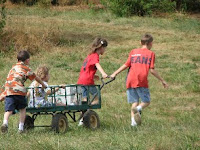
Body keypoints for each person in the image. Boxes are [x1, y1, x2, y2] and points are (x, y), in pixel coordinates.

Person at [110, 33, 168, 127]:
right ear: (151, 43)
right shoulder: (151, 54)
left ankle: (133, 123)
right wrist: (162, 80)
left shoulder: (133, 51)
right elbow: (152, 70)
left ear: (140, 42)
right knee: (146, 101)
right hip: (141, 80)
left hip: (130, 80)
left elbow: (126, 65)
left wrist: (114, 73)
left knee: (134, 102)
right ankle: (139, 109)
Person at [0, 50, 47, 133]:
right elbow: (36, 78)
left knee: (8, 110)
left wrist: (3, 94)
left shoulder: (12, 68)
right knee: (23, 109)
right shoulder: (26, 69)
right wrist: (43, 84)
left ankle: (5, 123)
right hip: (19, 92)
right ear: (27, 60)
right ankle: (21, 128)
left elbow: (7, 82)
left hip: (9, 91)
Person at [77, 37, 108, 126]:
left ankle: (82, 119)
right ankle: (86, 114)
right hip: (87, 82)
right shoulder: (95, 56)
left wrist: (94, 75)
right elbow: (96, 64)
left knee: (84, 100)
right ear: (101, 47)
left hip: (81, 80)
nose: (105, 50)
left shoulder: (89, 56)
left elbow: (86, 69)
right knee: (96, 98)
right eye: (105, 48)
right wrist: (103, 73)